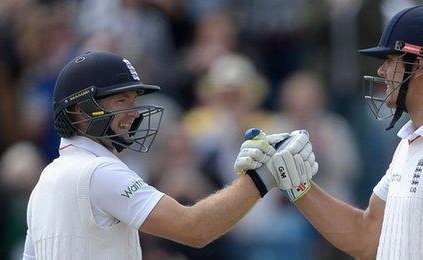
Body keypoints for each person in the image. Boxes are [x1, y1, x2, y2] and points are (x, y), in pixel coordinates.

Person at [243, 5, 423, 259]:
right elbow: (365, 236)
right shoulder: (411, 143)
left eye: (390, 60)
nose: (382, 72)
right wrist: (297, 184)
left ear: (418, 65)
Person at [22, 51, 317, 259]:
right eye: (121, 100)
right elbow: (195, 229)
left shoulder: (45, 182)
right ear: (79, 110)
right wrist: (262, 177)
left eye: (134, 101)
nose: (133, 113)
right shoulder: (98, 172)